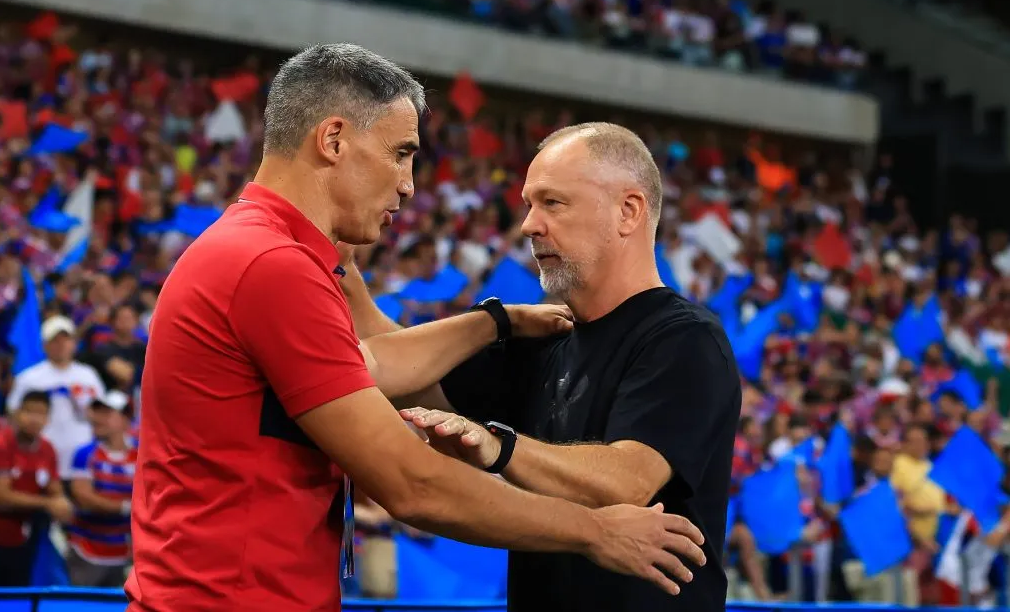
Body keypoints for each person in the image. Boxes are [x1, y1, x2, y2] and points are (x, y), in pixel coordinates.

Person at [128, 45, 706, 612]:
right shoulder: (271, 264)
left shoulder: (262, 252)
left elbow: (378, 365)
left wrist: (493, 323)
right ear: (333, 141)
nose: (408, 183)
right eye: (401, 153)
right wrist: (595, 531)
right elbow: (413, 483)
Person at [345, 122, 741, 611]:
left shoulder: (684, 338)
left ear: (628, 211)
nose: (529, 224)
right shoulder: (545, 338)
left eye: (552, 203)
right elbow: (391, 368)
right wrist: (335, 249)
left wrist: (499, 446)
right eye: (529, 204)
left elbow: (627, 481)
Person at [0, 391, 74, 586]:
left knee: (19, 592)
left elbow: (54, 489)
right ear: (17, 413)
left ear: (48, 419)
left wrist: (61, 503)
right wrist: (48, 503)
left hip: (26, 537)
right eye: (29, 411)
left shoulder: (47, 448)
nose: (34, 419)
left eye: (41, 413)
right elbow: (1, 497)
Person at [6, 315, 106, 481]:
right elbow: (13, 414)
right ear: (44, 345)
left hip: (81, 460)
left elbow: (102, 414)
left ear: (74, 343)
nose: (60, 345)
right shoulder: (28, 378)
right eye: (54, 341)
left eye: (65, 340)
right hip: (42, 457)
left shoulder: (89, 376)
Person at [67, 390, 136, 588]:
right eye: (97, 413)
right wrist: (127, 507)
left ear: (125, 419)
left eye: (107, 413)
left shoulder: (142, 454)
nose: (98, 419)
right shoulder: (85, 453)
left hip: (127, 556)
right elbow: (83, 497)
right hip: (86, 553)